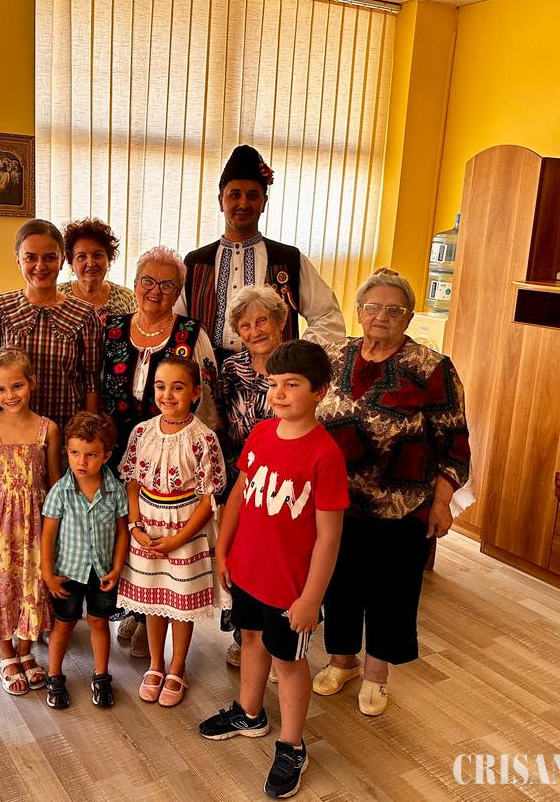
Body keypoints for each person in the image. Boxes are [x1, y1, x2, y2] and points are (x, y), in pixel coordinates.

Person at [315, 268, 470, 716]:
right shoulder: (334, 354)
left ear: (409, 317)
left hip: (402, 504)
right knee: (339, 583)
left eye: (394, 310)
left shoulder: (431, 368)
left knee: (392, 590)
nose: (382, 316)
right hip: (337, 502)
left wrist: (442, 502)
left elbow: (454, 441)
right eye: (373, 307)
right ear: (359, 311)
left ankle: (376, 674)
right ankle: (342, 661)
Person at [199, 340, 347, 799]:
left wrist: (311, 599)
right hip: (247, 571)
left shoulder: (325, 455)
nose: (278, 394)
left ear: (319, 391)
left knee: (288, 661)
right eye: (273, 384)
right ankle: (250, 713)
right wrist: (223, 551)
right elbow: (238, 495)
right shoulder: (262, 433)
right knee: (249, 639)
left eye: (291, 385)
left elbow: (329, 537)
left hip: (289, 587)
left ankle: (292, 744)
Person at [102, 246, 220, 658]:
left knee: (168, 535)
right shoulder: (113, 328)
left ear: (178, 291)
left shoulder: (191, 333)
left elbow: (207, 392)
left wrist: (194, 442)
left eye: (167, 284)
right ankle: (137, 608)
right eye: (148, 281)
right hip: (121, 446)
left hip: (175, 448)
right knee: (129, 529)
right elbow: (97, 382)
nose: (155, 290)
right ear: (135, 284)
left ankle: (158, 618)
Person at [117, 355, 227, 707]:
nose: (167, 395)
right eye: (160, 386)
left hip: (185, 530)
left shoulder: (202, 438)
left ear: (195, 393)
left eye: (177, 388)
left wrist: (179, 539)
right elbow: (132, 481)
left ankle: (177, 666)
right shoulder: (141, 432)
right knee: (152, 599)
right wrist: (135, 525)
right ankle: (155, 663)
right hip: (147, 526)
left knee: (180, 601)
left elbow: (208, 497)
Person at [177, 144, 345, 365]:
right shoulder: (195, 263)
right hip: (207, 374)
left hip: (274, 375)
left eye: (252, 195)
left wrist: (294, 356)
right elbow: (174, 324)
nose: (243, 203)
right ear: (221, 201)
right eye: (235, 195)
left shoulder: (288, 260)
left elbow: (329, 317)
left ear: (263, 203)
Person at [0, 346, 62, 696]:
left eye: (17, 386)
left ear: (31, 382)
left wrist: (56, 530)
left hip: (35, 528)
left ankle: (25, 650)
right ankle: (6, 654)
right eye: (1, 389)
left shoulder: (48, 429)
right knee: (1, 587)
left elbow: (54, 483)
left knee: (31, 585)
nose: (10, 395)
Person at [215, 284, 290, 668]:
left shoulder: (295, 365)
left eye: (262, 321)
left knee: (277, 558)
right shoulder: (232, 368)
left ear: (279, 321)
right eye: (245, 325)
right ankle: (241, 633)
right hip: (239, 476)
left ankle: (280, 639)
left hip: (283, 481)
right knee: (240, 557)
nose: (255, 331)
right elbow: (220, 419)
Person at [41, 412, 129, 710]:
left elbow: (122, 531)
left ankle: (101, 676)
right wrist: (48, 574)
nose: (81, 462)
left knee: (99, 622)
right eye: (74, 453)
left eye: (90, 455)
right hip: (67, 573)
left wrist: (117, 568)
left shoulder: (114, 491)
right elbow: (48, 534)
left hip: (102, 573)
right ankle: (54, 676)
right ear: (67, 451)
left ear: (106, 456)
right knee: (63, 625)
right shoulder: (60, 492)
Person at [0, 219, 103, 430]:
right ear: (18, 260)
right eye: (30, 257)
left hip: (67, 431)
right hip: (11, 434)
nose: (40, 266)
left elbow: (91, 380)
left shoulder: (84, 315)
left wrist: (88, 431)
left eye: (49, 257)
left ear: (62, 260)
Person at [57, 217, 135, 322]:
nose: (90, 263)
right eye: (82, 256)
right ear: (71, 262)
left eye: (98, 255)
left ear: (109, 259)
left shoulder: (127, 298)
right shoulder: (57, 295)